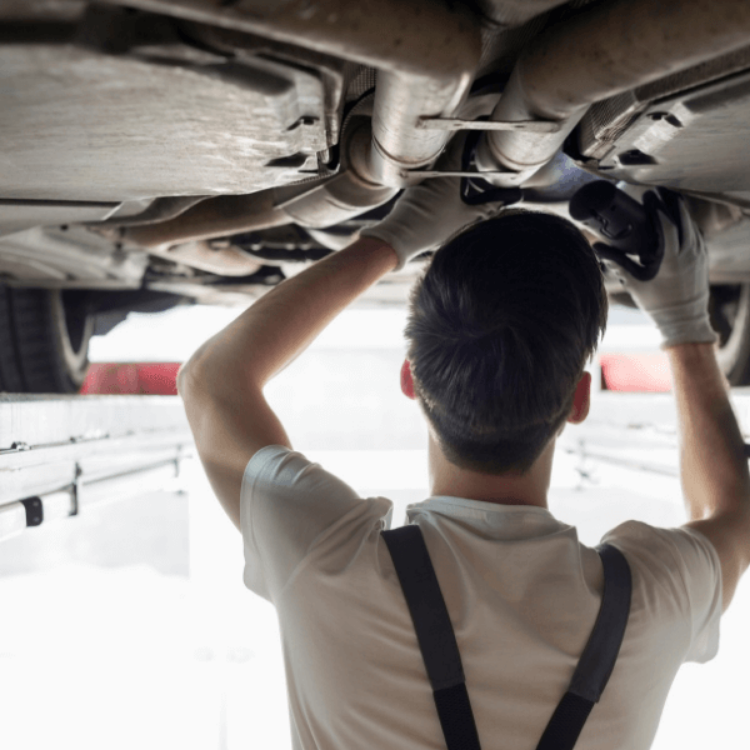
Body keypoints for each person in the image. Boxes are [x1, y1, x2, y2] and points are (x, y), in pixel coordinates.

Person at [176, 160, 750, 749]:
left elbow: (211, 381)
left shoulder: (650, 606)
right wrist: (394, 240)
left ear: (410, 379)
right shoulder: (329, 563)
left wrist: (685, 322)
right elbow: (212, 382)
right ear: (578, 400)